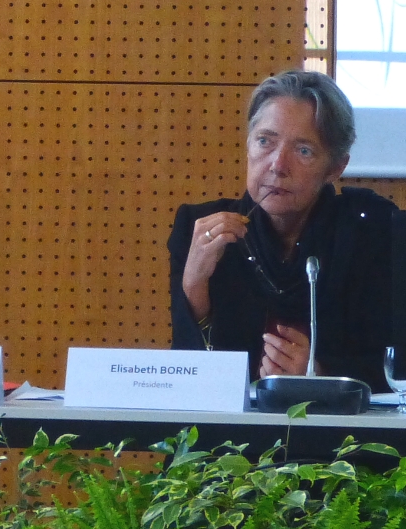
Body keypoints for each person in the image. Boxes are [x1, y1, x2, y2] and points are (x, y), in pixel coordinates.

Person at [168, 70, 394, 386]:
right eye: (265, 141)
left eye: (303, 150)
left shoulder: (369, 235)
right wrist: (193, 287)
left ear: (335, 167)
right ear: (248, 145)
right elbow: (183, 379)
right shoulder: (201, 231)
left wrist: (322, 373)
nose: (277, 165)